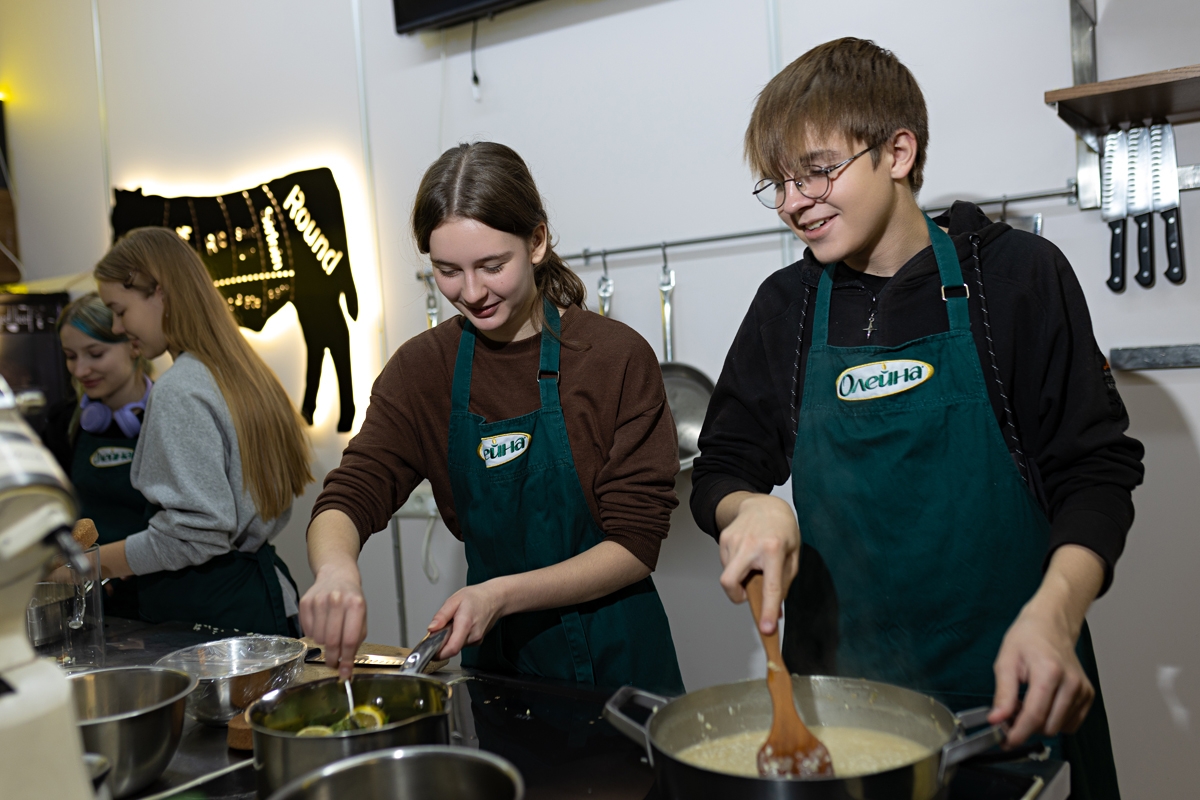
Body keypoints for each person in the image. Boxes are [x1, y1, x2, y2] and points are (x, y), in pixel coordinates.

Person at [691, 38, 1143, 798]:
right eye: (779, 182)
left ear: (897, 152)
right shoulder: (786, 307)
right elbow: (723, 468)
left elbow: (1094, 472)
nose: (795, 201)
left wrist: (1057, 615)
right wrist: (749, 508)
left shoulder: (1016, 279)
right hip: (840, 708)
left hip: (1010, 698)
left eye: (818, 170)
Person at [301, 142, 684, 695]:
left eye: (492, 266)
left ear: (537, 241)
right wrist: (336, 569)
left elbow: (636, 543)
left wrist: (500, 595)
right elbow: (351, 492)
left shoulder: (612, 358)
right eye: (447, 271)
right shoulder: (422, 370)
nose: (472, 293)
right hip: (497, 661)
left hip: (618, 657)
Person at [82, 227, 313, 635]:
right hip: (265, 602)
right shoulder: (243, 372)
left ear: (159, 292)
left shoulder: (179, 389)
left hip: (212, 618)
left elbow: (196, 535)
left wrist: (88, 566)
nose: (117, 327)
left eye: (120, 310)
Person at [43, 292, 153, 618]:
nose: (80, 369)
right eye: (70, 356)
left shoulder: (166, 419)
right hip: (90, 600)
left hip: (160, 592)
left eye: (95, 353)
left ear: (133, 345)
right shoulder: (64, 423)